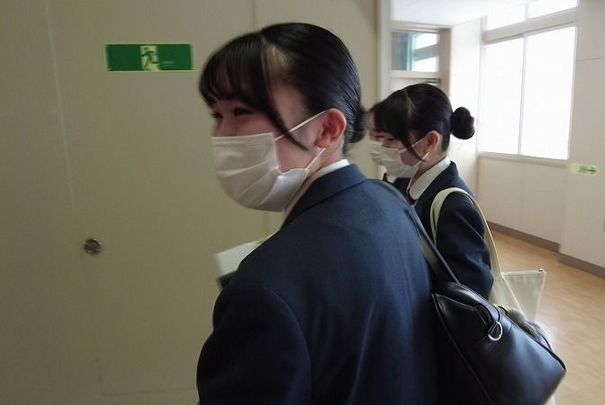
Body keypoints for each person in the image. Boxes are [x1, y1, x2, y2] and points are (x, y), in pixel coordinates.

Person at [196, 23, 437, 404]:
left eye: (241, 111)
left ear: (326, 129)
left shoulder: (263, 291)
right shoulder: (388, 201)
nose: (221, 136)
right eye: (217, 115)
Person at [371, 83, 494, 298]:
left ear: (430, 141)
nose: (383, 148)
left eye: (391, 139)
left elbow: (472, 292)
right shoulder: (402, 182)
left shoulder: (454, 206)